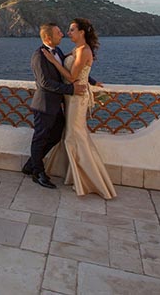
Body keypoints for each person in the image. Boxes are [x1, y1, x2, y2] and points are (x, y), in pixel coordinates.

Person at [42, 18, 117, 199]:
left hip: (77, 99)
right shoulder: (76, 50)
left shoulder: (83, 50)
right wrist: (92, 80)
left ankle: (86, 179)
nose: (68, 33)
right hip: (70, 98)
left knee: (73, 137)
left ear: (82, 32)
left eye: (72, 30)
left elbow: (73, 76)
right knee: (73, 135)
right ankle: (74, 175)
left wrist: (53, 61)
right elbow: (81, 71)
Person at [23, 23, 86, 189]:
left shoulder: (57, 52)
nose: (62, 35)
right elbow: (44, 83)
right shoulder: (38, 56)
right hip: (44, 105)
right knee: (40, 138)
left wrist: (90, 80)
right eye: (59, 33)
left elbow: (69, 71)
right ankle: (38, 172)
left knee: (57, 134)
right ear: (48, 38)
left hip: (56, 105)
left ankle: (31, 165)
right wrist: (71, 89)